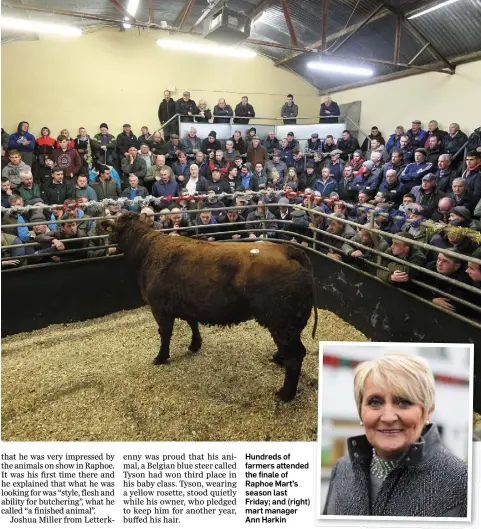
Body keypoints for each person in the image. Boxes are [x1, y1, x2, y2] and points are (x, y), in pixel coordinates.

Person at [323, 350, 468, 517]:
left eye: (404, 402)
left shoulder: (462, 481)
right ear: (360, 411)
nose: (388, 417)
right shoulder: (342, 468)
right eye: (375, 402)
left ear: (428, 411)